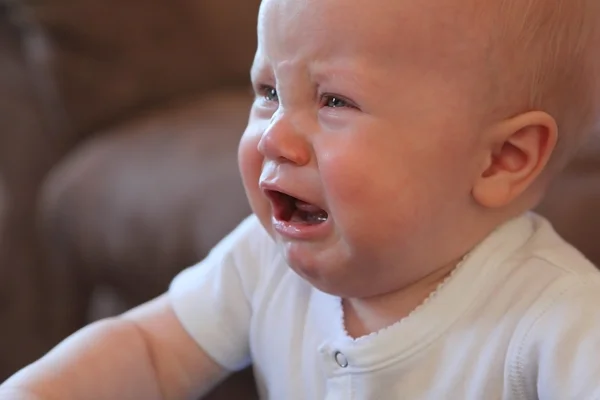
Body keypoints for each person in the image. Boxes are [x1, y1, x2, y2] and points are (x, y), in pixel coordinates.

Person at [2, 0, 600, 398]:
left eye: (334, 101)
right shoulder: (263, 263)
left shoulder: (558, 321)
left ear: (502, 159)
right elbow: (150, 350)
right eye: (268, 91)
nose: (274, 137)